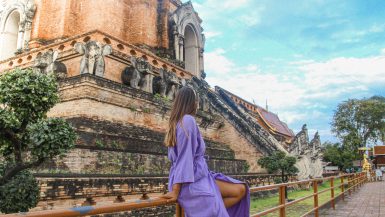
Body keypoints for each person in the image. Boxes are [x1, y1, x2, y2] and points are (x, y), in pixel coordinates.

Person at [160, 87, 250, 217]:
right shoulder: (187, 121)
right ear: (191, 102)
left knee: (240, 190)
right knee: (233, 196)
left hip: (200, 177)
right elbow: (184, 158)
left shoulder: (179, 122)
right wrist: (175, 190)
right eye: (196, 100)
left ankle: (206, 212)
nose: (197, 104)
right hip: (190, 182)